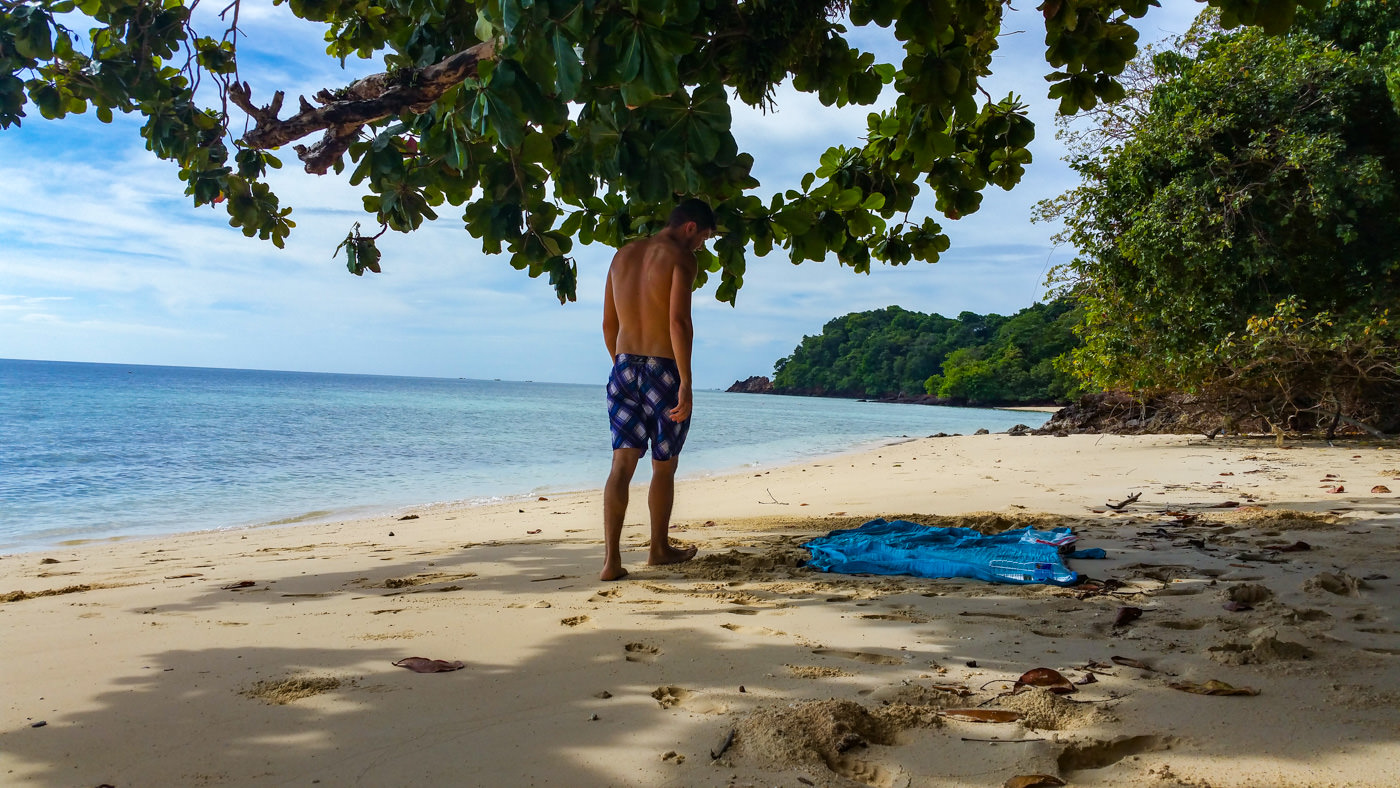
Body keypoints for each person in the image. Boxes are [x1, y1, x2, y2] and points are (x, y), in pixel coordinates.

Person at [599, 198, 716, 581]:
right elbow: (678, 322)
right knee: (663, 466)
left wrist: (621, 367)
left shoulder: (622, 256)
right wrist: (686, 381)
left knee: (621, 464)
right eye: (704, 237)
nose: (702, 246)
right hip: (662, 369)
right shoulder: (682, 259)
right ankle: (658, 549)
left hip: (622, 365)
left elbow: (607, 325)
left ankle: (611, 562)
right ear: (689, 228)